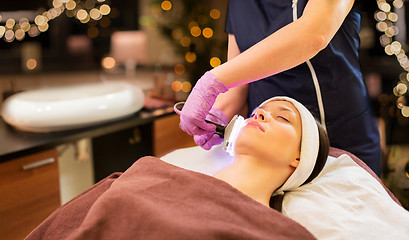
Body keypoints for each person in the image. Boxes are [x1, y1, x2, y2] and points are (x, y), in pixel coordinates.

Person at [25, 97, 328, 239]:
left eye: (283, 118)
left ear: (299, 159)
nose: (260, 114)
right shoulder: (148, 172)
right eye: (259, 110)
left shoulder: (279, 234)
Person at [178, 0, 382, 176]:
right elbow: (238, 83)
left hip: (338, 142)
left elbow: (313, 35)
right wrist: (215, 115)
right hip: (270, 154)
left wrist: (212, 81)